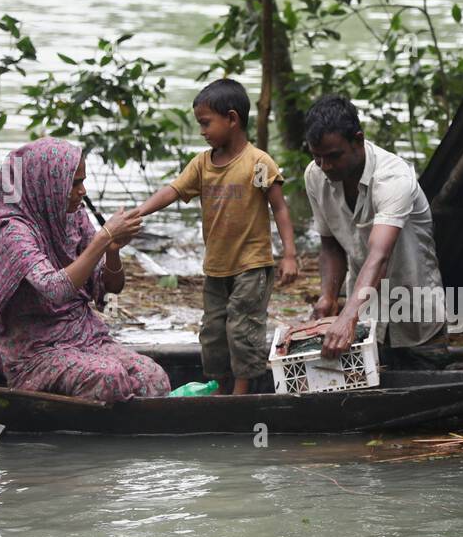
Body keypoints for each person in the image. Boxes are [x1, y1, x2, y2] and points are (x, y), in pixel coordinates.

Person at [137, 79, 297, 395]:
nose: (202, 131)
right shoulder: (202, 164)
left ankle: (239, 396)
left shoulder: (258, 163)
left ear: (232, 119)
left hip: (251, 266)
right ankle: (221, 390)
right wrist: (140, 212)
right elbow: (174, 189)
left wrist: (289, 254)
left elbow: (279, 208)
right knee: (213, 332)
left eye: (206, 123)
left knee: (243, 329)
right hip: (216, 267)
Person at [0, 137, 171, 402]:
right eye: (74, 183)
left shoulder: (74, 218)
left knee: (152, 378)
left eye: (82, 182)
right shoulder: (15, 234)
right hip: (36, 351)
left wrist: (112, 250)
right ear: (47, 185)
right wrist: (103, 238)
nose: (82, 191)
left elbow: (108, 294)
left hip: (85, 336)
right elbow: (56, 290)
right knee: (108, 377)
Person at [303, 95, 446, 365]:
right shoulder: (315, 175)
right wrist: (329, 296)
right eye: (317, 157)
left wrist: (348, 315)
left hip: (415, 311)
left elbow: (379, 255)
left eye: (334, 156)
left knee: (427, 393)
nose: (326, 166)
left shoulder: (393, 178)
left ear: (358, 140)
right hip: (366, 317)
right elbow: (331, 246)